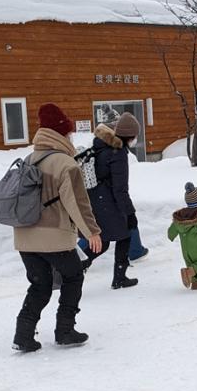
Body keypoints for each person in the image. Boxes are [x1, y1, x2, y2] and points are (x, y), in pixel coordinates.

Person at [12, 103, 102, 352]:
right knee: (73, 276)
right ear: (62, 134)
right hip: (54, 237)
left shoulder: (30, 159)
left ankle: (23, 335)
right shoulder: (65, 164)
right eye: (69, 133)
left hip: (25, 236)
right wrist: (91, 231)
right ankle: (65, 330)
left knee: (40, 285)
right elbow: (78, 202)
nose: (71, 137)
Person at [81, 113, 140, 289]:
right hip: (108, 202)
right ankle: (118, 278)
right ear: (130, 136)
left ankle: (75, 268)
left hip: (96, 199)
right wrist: (130, 213)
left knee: (104, 241)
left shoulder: (102, 146)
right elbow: (120, 189)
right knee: (125, 234)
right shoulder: (118, 152)